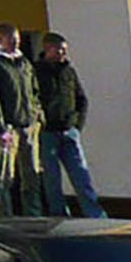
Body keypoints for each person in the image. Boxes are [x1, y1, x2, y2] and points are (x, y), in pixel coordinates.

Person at [0, 23, 44, 217]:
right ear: (0, 39)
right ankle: (3, 216)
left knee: (31, 174)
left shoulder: (24, 63)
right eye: (11, 39)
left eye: (17, 39)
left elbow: (33, 90)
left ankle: (34, 215)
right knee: (5, 176)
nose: (15, 43)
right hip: (8, 128)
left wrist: (37, 115)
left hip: (28, 124)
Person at [37, 33, 101, 218]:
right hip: (47, 132)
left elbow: (81, 99)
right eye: (60, 49)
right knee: (52, 179)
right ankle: (59, 215)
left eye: (65, 50)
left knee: (81, 175)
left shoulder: (68, 71)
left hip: (69, 131)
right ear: (48, 49)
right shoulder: (36, 71)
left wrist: (77, 125)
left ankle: (94, 214)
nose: (63, 53)